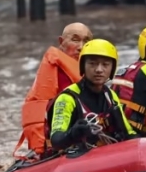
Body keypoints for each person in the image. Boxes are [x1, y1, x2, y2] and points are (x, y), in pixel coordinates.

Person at [14, 23, 93, 157]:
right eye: (75, 40)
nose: (81, 47)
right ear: (61, 42)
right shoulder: (58, 72)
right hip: (58, 143)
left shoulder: (92, 72)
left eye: (86, 41)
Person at [47, 39, 137, 151]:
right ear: (83, 66)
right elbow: (56, 140)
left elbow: (129, 133)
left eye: (105, 64)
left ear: (112, 68)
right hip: (74, 159)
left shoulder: (111, 96)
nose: (99, 70)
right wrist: (73, 134)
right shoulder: (67, 98)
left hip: (105, 155)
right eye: (92, 63)